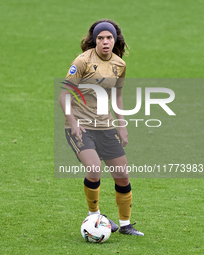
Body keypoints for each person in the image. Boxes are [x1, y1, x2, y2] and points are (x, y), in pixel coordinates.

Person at [59, 19, 144, 236]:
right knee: (94, 168)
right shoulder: (82, 62)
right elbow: (64, 96)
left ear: (115, 40)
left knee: (122, 175)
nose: (105, 42)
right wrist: (73, 122)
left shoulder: (119, 64)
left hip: (105, 127)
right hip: (80, 127)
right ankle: (93, 215)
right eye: (100, 38)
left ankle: (125, 225)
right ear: (94, 40)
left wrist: (121, 124)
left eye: (109, 38)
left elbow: (117, 96)